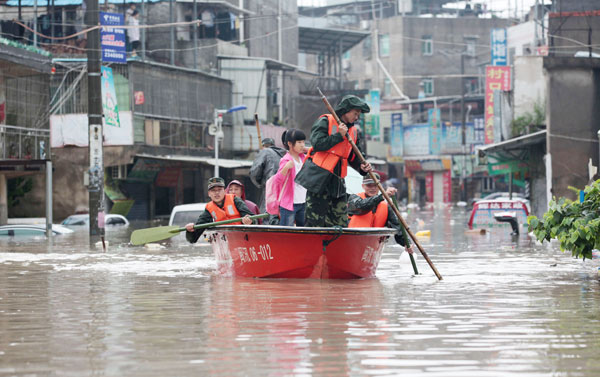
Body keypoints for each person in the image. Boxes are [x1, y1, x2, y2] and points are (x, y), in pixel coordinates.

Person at [295, 95, 372, 227]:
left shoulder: (353, 131)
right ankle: (313, 246)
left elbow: (354, 155)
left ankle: (333, 246)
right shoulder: (326, 121)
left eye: (359, 114)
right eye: (355, 113)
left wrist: (362, 167)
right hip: (319, 180)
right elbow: (317, 144)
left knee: (340, 222)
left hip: (338, 183)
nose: (357, 117)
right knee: (315, 221)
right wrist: (338, 136)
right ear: (346, 110)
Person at [347, 173, 411, 249]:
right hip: (354, 241)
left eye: (375, 185)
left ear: (380, 186)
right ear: (363, 186)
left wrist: (406, 243)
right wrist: (382, 196)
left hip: (374, 243)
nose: (373, 188)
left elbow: (397, 226)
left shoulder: (386, 206)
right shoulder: (354, 198)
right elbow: (361, 207)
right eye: (369, 185)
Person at [185, 177, 256, 244]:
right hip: (224, 240)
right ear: (209, 194)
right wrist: (190, 230)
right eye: (213, 190)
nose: (216, 193)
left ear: (225, 191)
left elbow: (253, 219)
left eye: (219, 190)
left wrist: (249, 221)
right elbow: (193, 239)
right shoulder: (209, 209)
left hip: (242, 238)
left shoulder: (235, 200)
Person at [273, 129, 307, 226]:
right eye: (299, 142)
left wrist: (306, 149)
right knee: (286, 232)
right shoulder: (285, 160)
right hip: (289, 204)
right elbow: (277, 180)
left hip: (303, 201)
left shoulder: (303, 158)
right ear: (290, 143)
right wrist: (286, 168)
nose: (302, 145)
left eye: (303, 142)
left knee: (303, 231)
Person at [249, 137, 287, 212]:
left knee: (267, 215)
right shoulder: (284, 153)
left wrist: (260, 184)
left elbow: (254, 173)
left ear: (263, 146)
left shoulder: (265, 152)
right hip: (286, 191)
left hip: (270, 188)